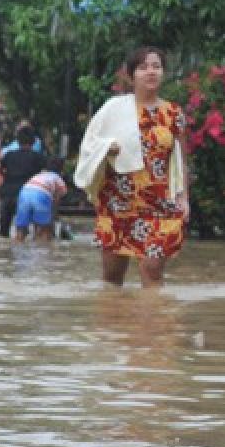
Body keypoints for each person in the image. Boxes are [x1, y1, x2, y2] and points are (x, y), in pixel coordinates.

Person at [75, 46, 188, 287]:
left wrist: (183, 197)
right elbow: (89, 144)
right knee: (112, 278)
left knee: (153, 271)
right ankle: (117, 322)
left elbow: (179, 159)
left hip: (160, 204)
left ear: (163, 73)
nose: (151, 72)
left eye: (156, 67)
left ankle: (153, 324)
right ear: (131, 75)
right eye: (143, 67)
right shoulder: (113, 110)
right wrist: (107, 147)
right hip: (118, 203)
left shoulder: (173, 114)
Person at [0, 125, 47, 238]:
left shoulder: (8, 155)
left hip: (8, 193)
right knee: (25, 231)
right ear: (34, 141)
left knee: (3, 231)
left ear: (17, 141)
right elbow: (44, 173)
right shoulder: (38, 157)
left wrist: (6, 175)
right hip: (27, 195)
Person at [14, 159, 68, 241]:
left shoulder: (38, 175)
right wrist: (53, 218)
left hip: (24, 193)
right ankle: (42, 250)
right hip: (41, 195)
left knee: (21, 228)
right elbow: (56, 202)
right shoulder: (58, 179)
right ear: (61, 169)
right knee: (44, 229)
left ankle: (18, 247)